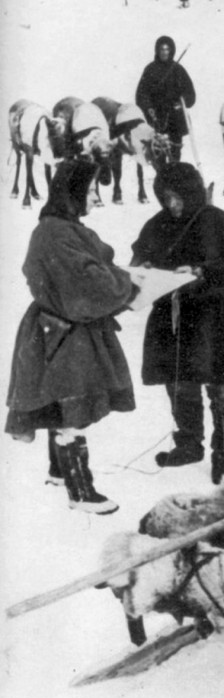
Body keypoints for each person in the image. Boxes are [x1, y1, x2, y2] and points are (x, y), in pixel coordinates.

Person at [5, 159, 139, 515]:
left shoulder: (60, 228)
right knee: (72, 408)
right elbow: (90, 283)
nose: (96, 198)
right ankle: (81, 492)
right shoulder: (57, 233)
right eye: (92, 190)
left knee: (60, 398)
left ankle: (58, 471)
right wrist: (128, 285)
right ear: (73, 193)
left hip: (58, 327)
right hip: (65, 333)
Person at [130, 162, 224, 483]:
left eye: (178, 197)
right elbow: (139, 260)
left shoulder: (214, 220)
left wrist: (204, 273)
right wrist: (146, 268)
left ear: (191, 193)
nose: (173, 205)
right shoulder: (157, 224)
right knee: (178, 381)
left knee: (223, 387)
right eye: (166, 198)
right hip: (172, 314)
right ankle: (189, 444)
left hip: (213, 314)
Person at [135, 35, 196, 163]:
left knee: (175, 150)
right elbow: (141, 93)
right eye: (161, 49)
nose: (164, 52)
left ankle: (174, 175)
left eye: (167, 49)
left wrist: (181, 103)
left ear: (171, 51)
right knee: (159, 151)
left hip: (175, 117)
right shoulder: (150, 70)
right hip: (156, 117)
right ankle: (162, 176)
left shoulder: (178, 70)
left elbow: (190, 94)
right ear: (157, 51)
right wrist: (148, 107)